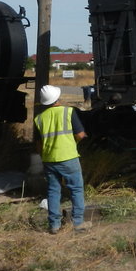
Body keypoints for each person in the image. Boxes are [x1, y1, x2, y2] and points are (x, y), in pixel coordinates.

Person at [34, 84, 89, 234]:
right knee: (76, 189)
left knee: (53, 191)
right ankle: (77, 223)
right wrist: (78, 140)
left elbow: (38, 145)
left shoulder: (39, 119)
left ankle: (54, 225)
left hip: (49, 160)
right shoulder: (68, 112)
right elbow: (80, 135)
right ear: (57, 98)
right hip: (68, 157)